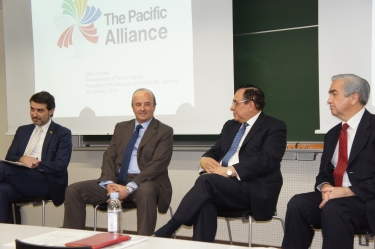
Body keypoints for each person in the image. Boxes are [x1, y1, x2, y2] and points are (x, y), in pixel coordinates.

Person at [154, 85, 287, 242]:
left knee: (206, 181)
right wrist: (204, 159)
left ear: (250, 105)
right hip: (224, 187)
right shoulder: (230, 126)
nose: (232, 107)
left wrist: (229, 171)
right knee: (204, 201)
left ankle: (170, 227)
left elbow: (267, 159)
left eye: (235, 103)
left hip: (253, 189)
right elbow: (216, 151)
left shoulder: (274, 126)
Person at [282, 74, 375, 249]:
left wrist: (347, 192)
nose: (328, 100)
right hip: (337, 200)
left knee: (335, 208)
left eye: (334, 94)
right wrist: (325, 187)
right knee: (298, 203)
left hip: (367, 200)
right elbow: (323, 174)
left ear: (354, 97)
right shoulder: (333, 134)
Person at [63, 88, 173, 235]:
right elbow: (109, 156)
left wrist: (127, 189)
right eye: (138, 104)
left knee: (147, 192)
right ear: (132, 107)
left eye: (147, 104)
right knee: (73, 190)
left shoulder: (164, 131)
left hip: (145, 182)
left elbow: (158, 164)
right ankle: (74, 240)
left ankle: (144, 243)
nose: (142, 108)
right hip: (116, 181)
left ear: (154, 106)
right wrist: (109, 184)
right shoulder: (121, 127)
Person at [0, 91, 72, 222]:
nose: (34, 114)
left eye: (40, 110)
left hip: (44, 180)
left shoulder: (62, 133)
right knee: (1, 190)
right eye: (32, 109)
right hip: (18, 177)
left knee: (1, 167)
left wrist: (37, 163)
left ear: (51, 111)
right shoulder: (23, 130)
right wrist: (22, 159)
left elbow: (61, 165)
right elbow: (10, 156)